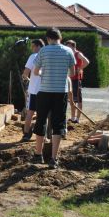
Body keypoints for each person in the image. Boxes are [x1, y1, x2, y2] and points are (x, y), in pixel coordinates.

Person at [31, 28, 76, 169]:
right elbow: (73, 73)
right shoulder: (69, 51)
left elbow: (36, 71)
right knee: (58, 124)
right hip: (60, 93)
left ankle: (38, 155)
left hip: (44, 91)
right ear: (60, 38)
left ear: (48, 38)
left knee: (41, 121)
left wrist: (46, 72)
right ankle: (54, 159)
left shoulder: (43, 51)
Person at [21, 39, 45, 141]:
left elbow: (25, 74)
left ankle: (26, 133)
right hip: (46, 90)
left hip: (34, 90)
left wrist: (28, 79)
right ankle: (42, 135)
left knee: (30, 112)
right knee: (43, 113)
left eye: (33, 46)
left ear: (38, 46)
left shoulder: (33, 56)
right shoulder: (47, 56)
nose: (32, 48)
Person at [64, 40, 90, 123]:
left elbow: (87, 61)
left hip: (76, 80)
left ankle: (77, 119)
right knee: (71, 99)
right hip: (70, 79)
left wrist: (80, 68)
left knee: (78, 100)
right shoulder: (69, 54)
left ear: (72, 46)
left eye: (68, 46)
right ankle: (72, 117)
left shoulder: (78, 53)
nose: (67, 48)